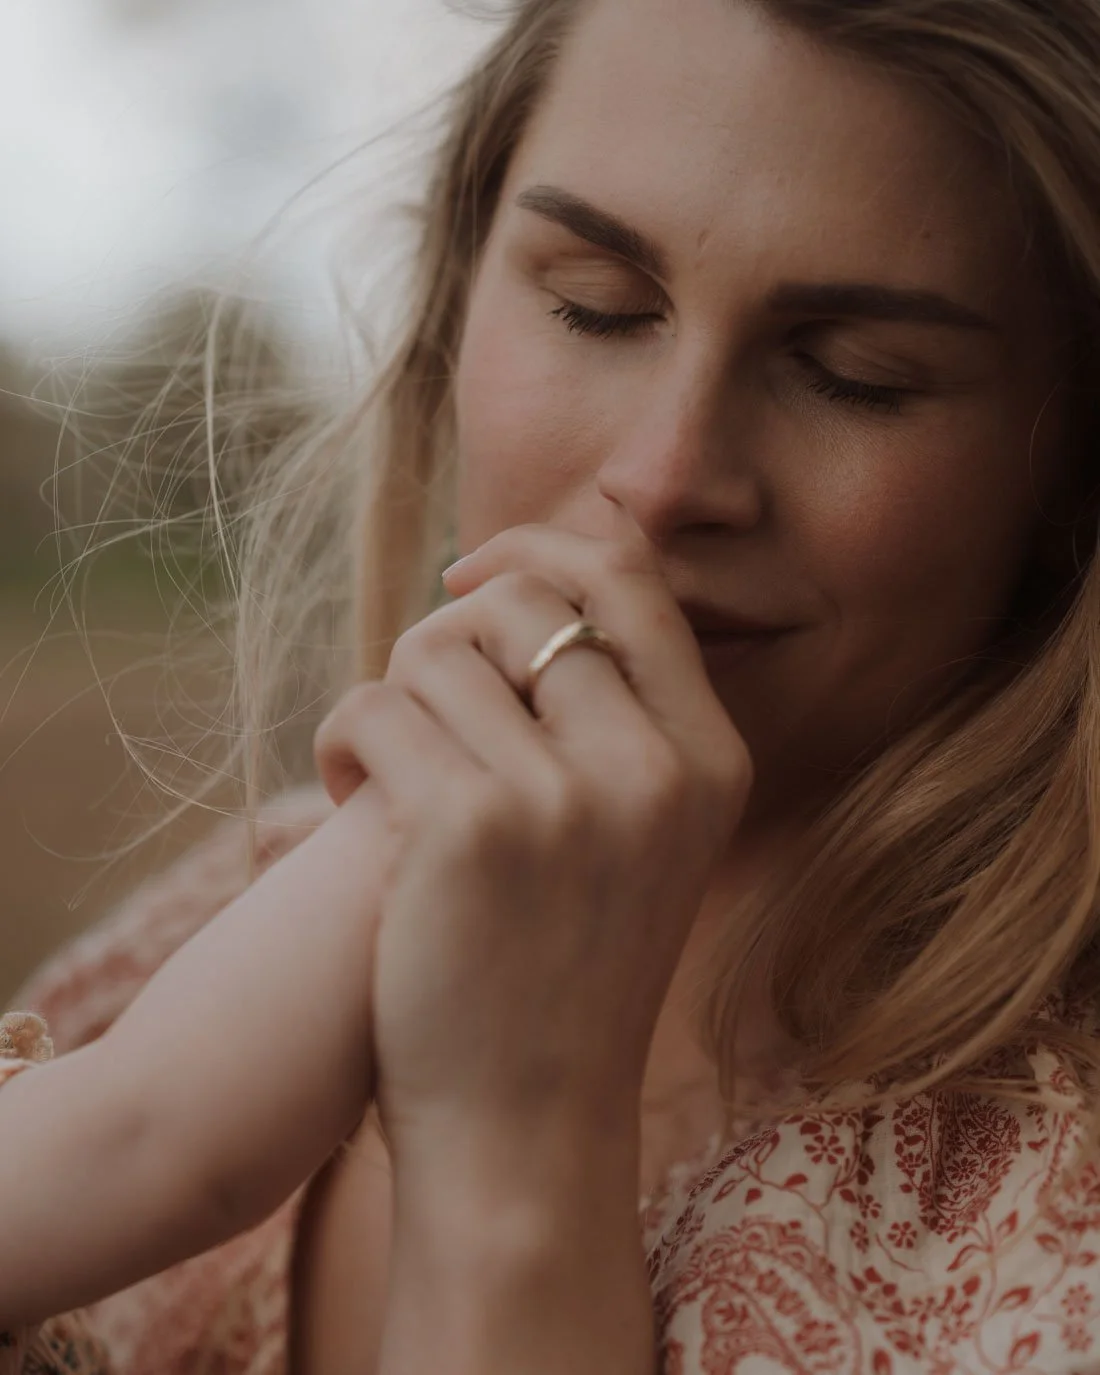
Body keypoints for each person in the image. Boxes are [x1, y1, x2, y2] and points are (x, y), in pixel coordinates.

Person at [6, 0, 1100, 1368]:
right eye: (597, 305)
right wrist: (126, 1129)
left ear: (1062, 470)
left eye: (854, 377)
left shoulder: (1042, 1252)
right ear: (458, 306)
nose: (663, 472)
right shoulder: (215, 929)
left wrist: (510, 1168)